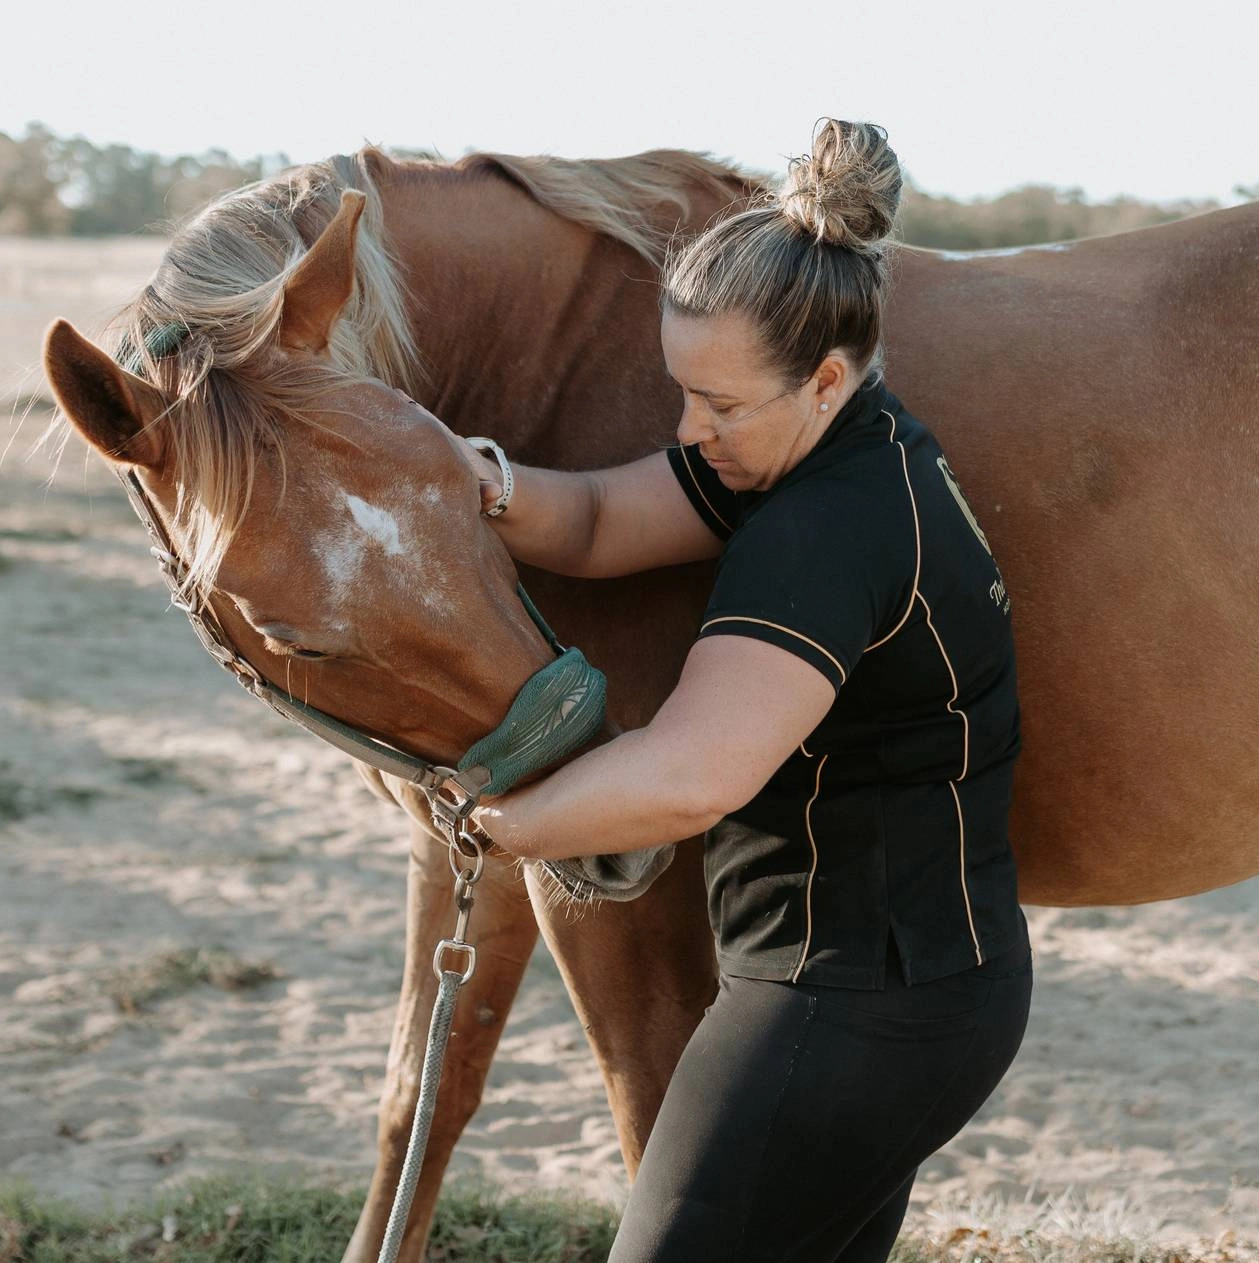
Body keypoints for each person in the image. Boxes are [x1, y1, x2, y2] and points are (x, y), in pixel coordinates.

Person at [456, 119, 1033, 1262]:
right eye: (682, 391)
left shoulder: (824, 531)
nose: (690, 428)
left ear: (823, 377)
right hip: (919, 988)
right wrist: (479, 481)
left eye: (719, 404)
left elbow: (689, 780)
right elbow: (605, 519)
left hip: (853, 1005)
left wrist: (490, 822)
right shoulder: (846, 449)